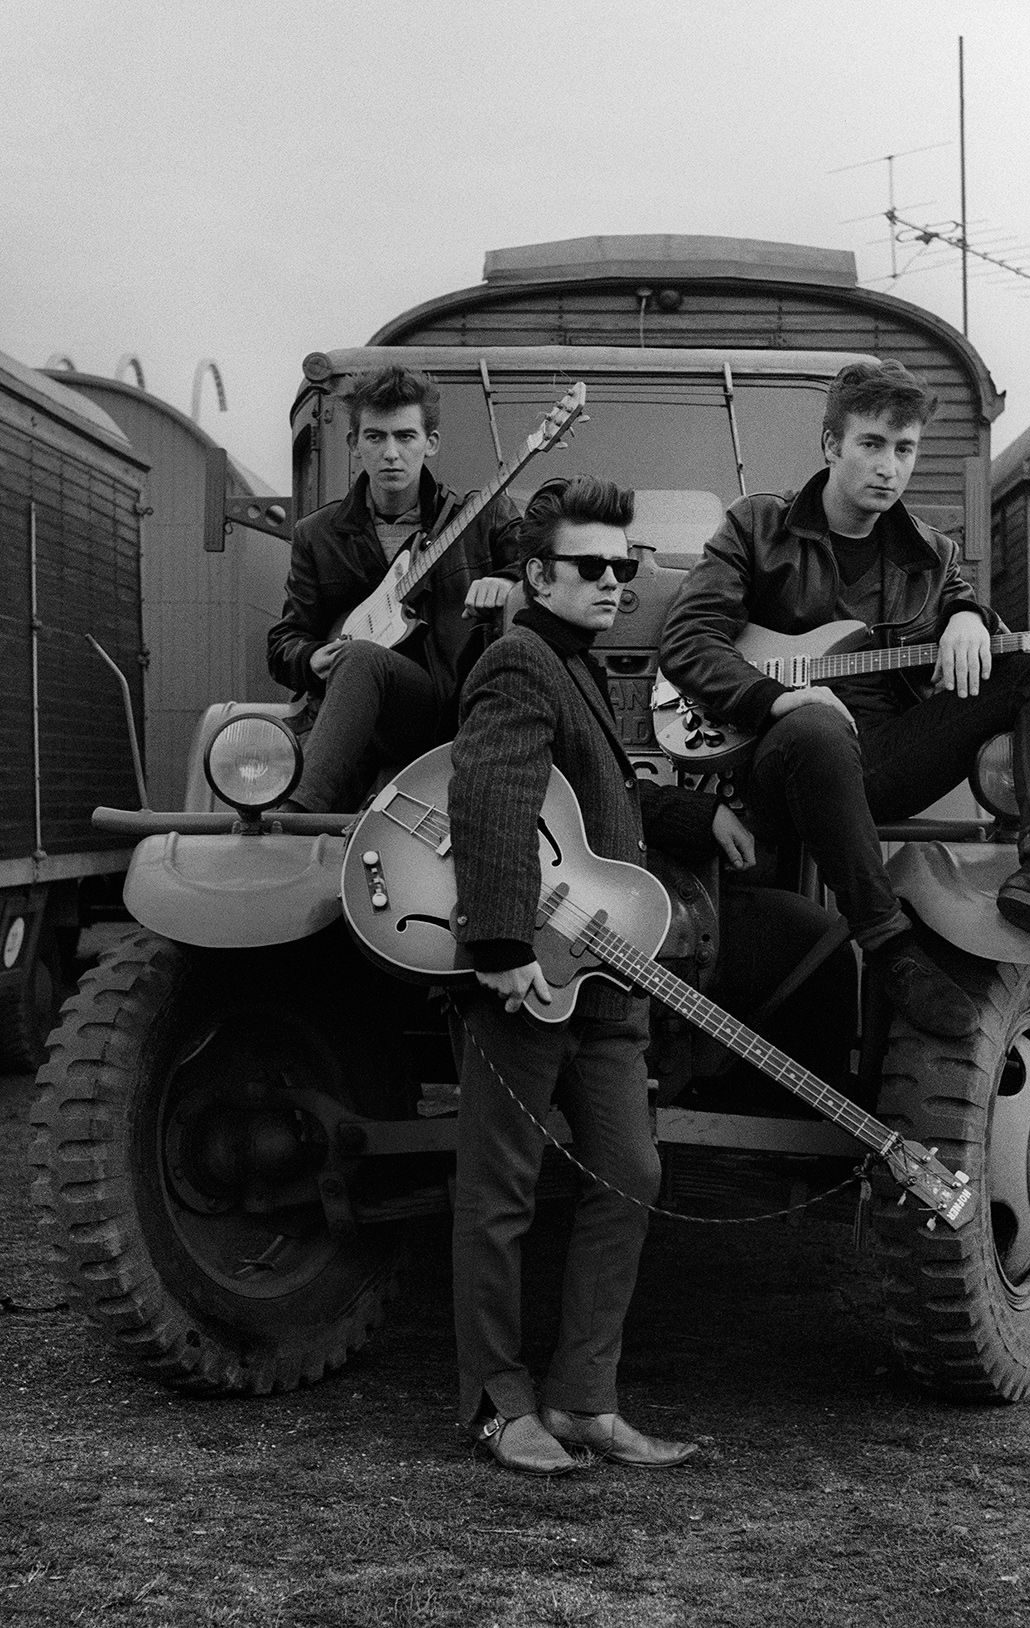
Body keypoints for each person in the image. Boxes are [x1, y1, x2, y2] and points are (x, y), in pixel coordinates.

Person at [658, 359, 1030, 1039]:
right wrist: (774, 699)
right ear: (832, 445)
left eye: (905, 448)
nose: (889, 466)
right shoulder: (758, 527)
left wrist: (973, 615)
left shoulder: (932, 556)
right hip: (774, 766)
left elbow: (974, 625)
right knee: (818, 728)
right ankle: (889, 947)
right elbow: (686, 640)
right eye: (872, 444)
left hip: (883, 760)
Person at [447, 475, 756, 1476]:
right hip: (533, 970)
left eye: (625, 565)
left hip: (605, 974)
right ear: (536, 573)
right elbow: (490, 792)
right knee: (499, 1192)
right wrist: (499, 952)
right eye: (591, 565)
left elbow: (591, 804)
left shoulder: (575, 663)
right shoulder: (519, 661)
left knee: (631, 1169)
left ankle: (585, 1398)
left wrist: (687, 815)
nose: (615, 581)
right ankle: (498, 1404)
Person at [266, 365, 520, 812]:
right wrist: (311, 658)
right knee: (358, 659)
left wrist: (507, 584)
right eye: (375, 437)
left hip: (448, 713)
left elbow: (543, 569)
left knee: (362, 658)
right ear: (354, 444)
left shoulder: (484, 517)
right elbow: (284, 642)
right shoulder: (316, 534)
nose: (391, 453)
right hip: (354, 728)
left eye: (405, 437)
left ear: (431, 443)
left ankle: (295, 812)